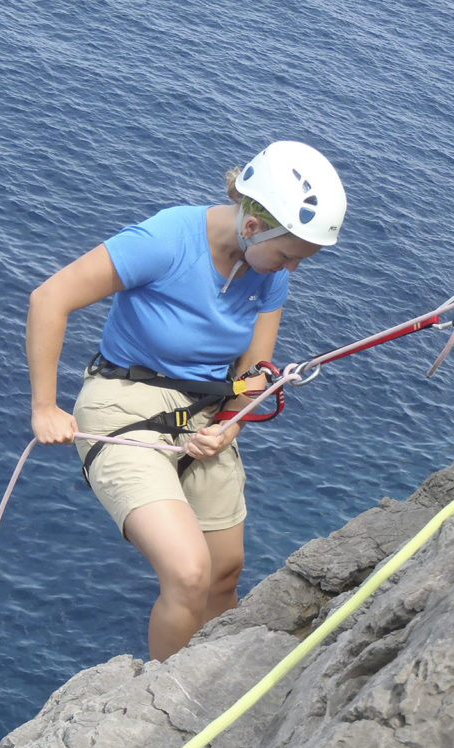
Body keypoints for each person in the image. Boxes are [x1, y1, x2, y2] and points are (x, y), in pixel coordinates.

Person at [26, 141, 347, 661]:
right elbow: (49, 298)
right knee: (188, 571)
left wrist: (229, 426)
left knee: (224, 572)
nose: (292, 268)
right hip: (123, 404)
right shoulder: (165, 240)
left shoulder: (269, 274)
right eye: (288, 254)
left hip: (205, 413)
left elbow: (255, 373)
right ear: (252, 228)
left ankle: (212, 681)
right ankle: (167, 702)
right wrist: (46, 407)